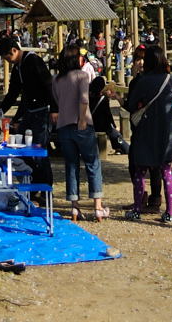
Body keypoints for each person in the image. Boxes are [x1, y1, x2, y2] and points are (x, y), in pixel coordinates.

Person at [52, 41, 109, 223]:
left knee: (71, 165)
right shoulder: (82, 76)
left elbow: (57, 101)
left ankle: (74, 207)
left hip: (63, 126)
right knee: (93, 163)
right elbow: (84, 100)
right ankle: (97, 207)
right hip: (81, 124)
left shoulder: (56, 80)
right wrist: (83, 120)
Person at [124, 43, 172, 224]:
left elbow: (131, 105)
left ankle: (137, 208)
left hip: (145, 130)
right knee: (166, 171)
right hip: (165, 131)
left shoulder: (143, 81)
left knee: (140, 171)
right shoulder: (170, 79)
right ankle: (169, 212)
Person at [0, 33, 55, 190]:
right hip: (28, 111)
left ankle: (44, 188)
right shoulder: (18, 68)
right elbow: (13, 93)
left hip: (42, 111)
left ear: (14, 50)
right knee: (21, 148)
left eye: (7, 57)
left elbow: (49, 85)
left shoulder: (33, 61)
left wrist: (54, 109)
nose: (7, 61)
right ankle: (32, 185)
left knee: (39, 150)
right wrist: (1, 110)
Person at [89, 74, 129, 154]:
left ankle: (118, 148)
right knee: (116, 135)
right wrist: (114, 126)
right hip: (103, 125)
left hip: (91, 124)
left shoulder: (88, 96)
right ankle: (124, 148)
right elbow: (108, 115)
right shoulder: (103, 99)